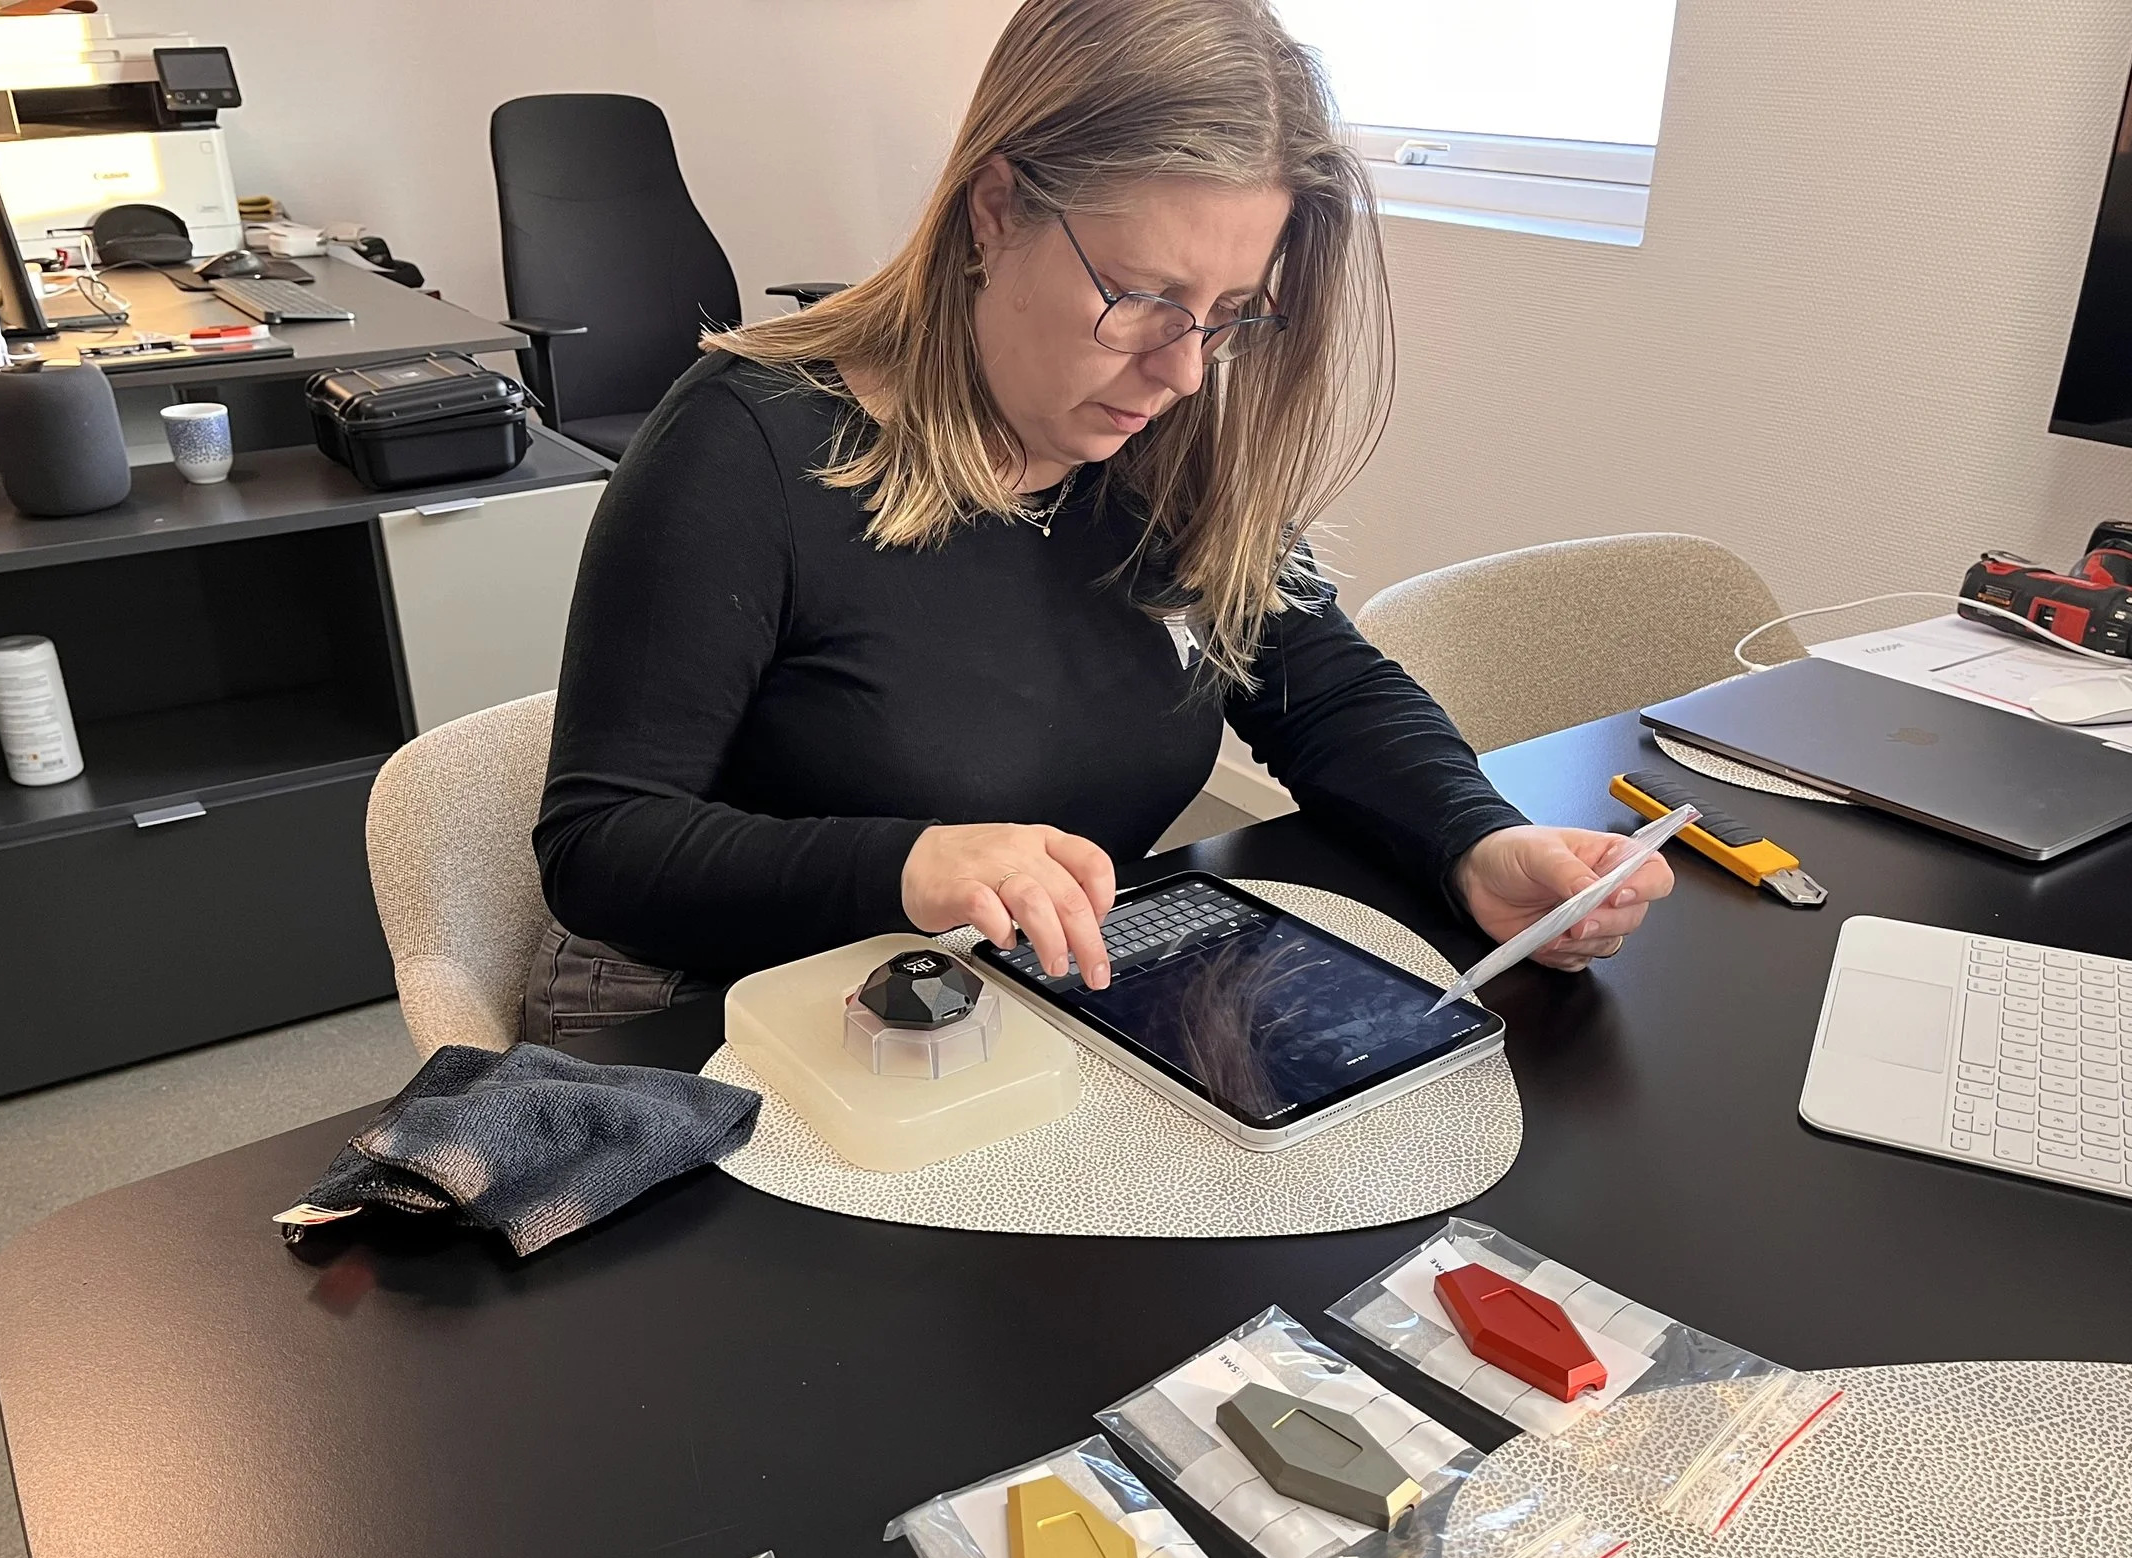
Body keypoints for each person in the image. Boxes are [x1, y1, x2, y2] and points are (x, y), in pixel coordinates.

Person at [526, 0, 1671, 1043]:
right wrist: (912, 866)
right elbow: (603, 848)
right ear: (996, 210)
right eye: (1140, 297)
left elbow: (1319, 684)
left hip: (1000, 1004)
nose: (1181, 370)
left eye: (1228, 315)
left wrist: (1475, 841)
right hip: (717, 1011)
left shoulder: (1161, 440)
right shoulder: (748, 445)